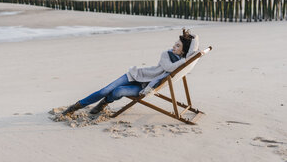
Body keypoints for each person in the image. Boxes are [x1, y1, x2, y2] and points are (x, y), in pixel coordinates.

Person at [62, 28, 199, 116]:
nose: (173, 47)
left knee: (118, 92)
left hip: (144, 87)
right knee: (105, 90)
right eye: (175, 44)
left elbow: (192, 47)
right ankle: (75, 107)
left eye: (177, 45)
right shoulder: (166, 54)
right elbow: (169, 68)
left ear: (184, 51)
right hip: (136, 75)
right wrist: (184, 60)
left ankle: (104, 103)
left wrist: (186, 57)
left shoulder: (182, 63)